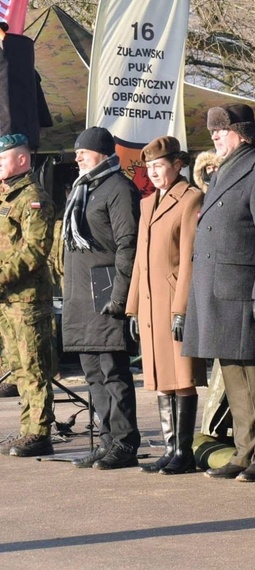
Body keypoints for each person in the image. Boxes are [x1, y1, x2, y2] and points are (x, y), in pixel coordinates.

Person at [182, 103, 255, 483]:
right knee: (231, 371)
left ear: (242, 132)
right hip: (217, 287)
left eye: (221, 130)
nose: (214, 136)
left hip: (242, 287)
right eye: (213, 131)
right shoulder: (225, 169)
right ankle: (245, 449)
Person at [126, 136, 207, 475]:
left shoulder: (190, 199)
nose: (154, 173)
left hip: (172, 300)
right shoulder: (147, 203)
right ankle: (170, 447)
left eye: (160, 166)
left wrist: (181, 308)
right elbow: (139, 261)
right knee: (160, 378)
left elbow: (189, 258)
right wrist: (132, 307)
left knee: (181, 376)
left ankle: (183, 452)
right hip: (149, 301)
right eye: (150, 167)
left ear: (178, 164)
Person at [62, 126, 141, 469]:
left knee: (113, 372)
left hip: (107, 291)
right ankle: (107, 438)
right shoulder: (83, 189)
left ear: (102, 153)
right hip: (81, 294)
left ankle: (124, 443)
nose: (77, 155)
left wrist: (121, 296)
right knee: (92, 372)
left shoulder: (119, 187)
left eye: (83, 150)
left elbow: (128, 244)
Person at [0, 133, 56, 457]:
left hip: (28, 298)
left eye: (3, 159)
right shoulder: (6, 197)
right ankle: (26, 429)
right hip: (9, 297)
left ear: (22, 160)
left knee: (34, 366)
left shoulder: (34, 199)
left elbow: (34, 251)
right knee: (18, 368)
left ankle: (40, 432)